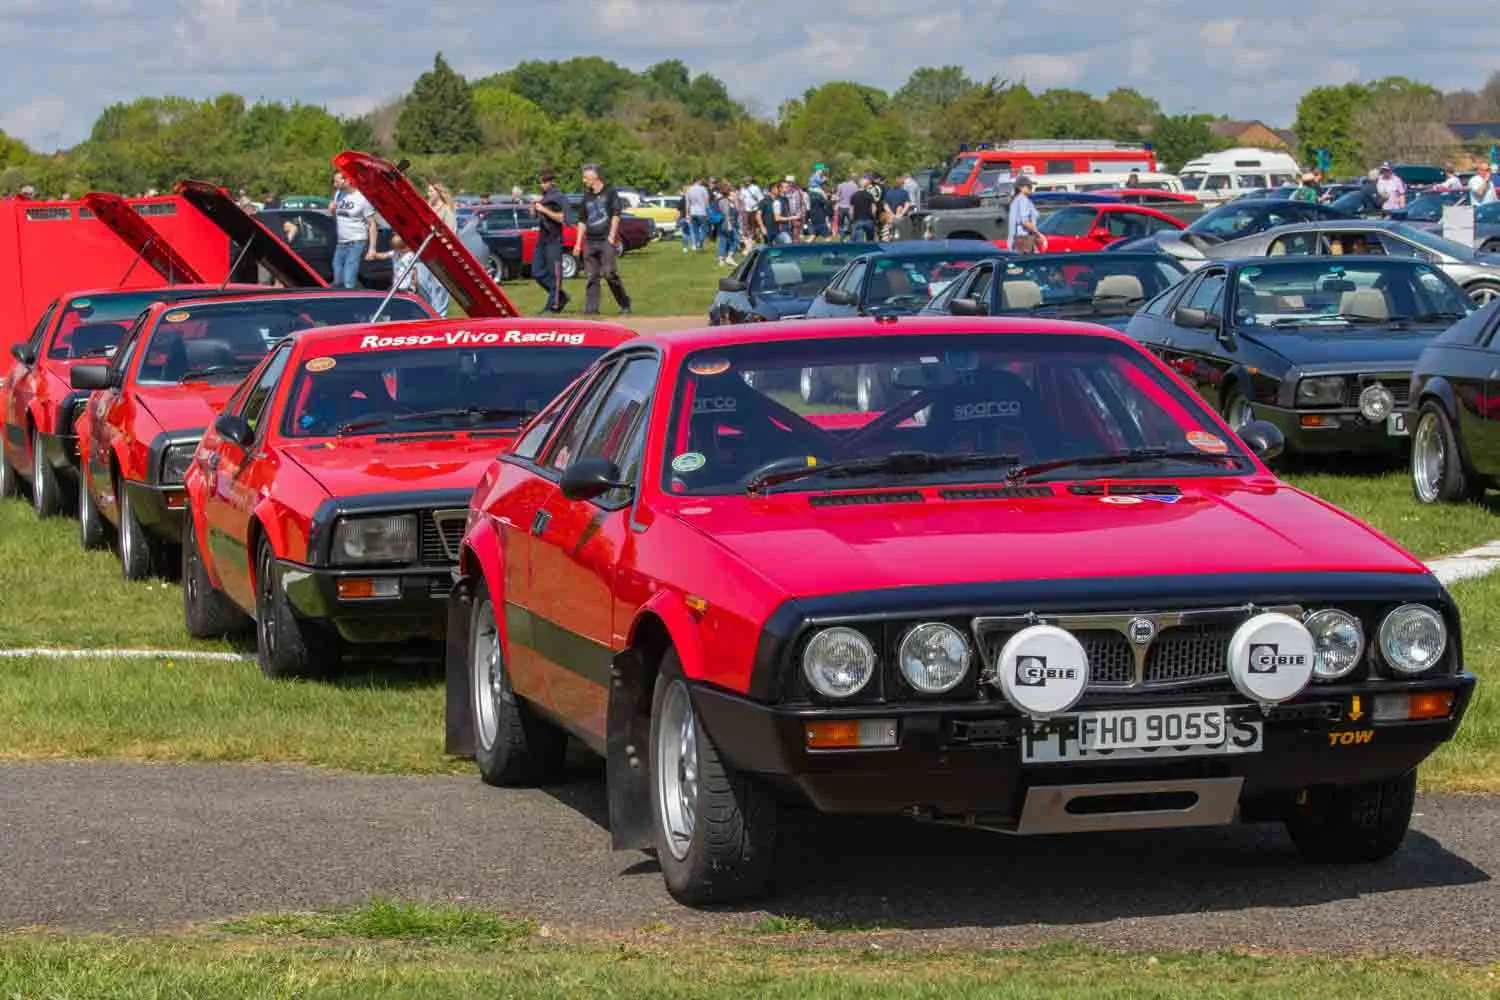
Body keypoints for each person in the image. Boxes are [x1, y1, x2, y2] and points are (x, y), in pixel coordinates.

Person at [573, 164, 631, 316]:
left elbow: (616, 214)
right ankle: (591, 310)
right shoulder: (586, 196)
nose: (584, 180)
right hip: (590, 241)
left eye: (586, 177)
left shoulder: (610, 193)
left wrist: (612, 235)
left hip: (605, 239)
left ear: (595, 177)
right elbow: (582, 220)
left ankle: (625, 303)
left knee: (609, 273)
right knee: (592, 276)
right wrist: (578, 243)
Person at [530, 169, 570, 314]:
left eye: (544, 182)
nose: (542, 185)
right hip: (542, 239)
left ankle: (553, 305)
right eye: (541, 182)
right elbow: (536, 216)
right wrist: (534, 209)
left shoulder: (559, 197)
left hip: (554, 239)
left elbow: (564, 219)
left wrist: (544, 210)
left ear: (552, 181)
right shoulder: (543, 197)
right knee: (536, 272)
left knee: (555, 274)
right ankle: (561, 295)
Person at [329, 171, 377, 289]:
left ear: (348, 180)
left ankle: (350, 302)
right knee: (338, 279)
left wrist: (372, 248)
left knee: (348, 277)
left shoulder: (362, 198)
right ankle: (340, 300)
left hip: (356, 241)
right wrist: (333, 211)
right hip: (341, 242)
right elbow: (338, 217)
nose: (334, 184)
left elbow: (372, 224)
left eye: (337, 181)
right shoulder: (338, 194)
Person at [422, 181, 458, 316]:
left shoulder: (446, 210)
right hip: (425, 252)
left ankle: (440, 316)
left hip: (441, 254)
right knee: (424, 285)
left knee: (439, 286)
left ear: (438, 193)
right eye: (428, 191)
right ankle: (429, 314)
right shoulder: (426, 207)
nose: (428, 194)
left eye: (431, 191)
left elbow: (451, 234)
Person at [1007, 175, 1047, 253]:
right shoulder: (1023, 200)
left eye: (1031, 185)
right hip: (1024, 239)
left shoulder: (1016, 200)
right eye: (1028, 186)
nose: (1031, 187)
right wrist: (1039, 234)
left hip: (1019, 239)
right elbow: (1025, 222)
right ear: (1020, 188)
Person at [714, 181, 738, 267]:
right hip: (726, 223)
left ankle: (721, 260)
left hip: (721, 223)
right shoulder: (725, 201)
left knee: (723, 240)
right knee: (735, 240)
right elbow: (726, 214)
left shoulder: (719, 199)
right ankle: (729, 257)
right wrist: (729, 225)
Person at [848, 176, 879, 243]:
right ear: (866, 186)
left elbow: (851, 210)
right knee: (870, 239)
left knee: (859, 240)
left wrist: (851, 219)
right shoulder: (869, 195)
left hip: (858, 220)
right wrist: (874, 217)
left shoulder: (854, 196)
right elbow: (874, 209)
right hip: (868, 219)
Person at [685, 177, 709, 251]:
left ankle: (697, 244)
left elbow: (687, 203)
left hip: (692, 212)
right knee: (705, 229)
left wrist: (687, 214)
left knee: (695, 230)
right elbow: (707, 200)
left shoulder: (689, 190)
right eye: (701, 181)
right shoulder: (703, 189)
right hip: (702, 212)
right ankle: (700, 242)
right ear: (698, 181)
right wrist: (708, 211)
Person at [835, 174, 858, 239]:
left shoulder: (840, 185)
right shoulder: (855, 186)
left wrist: (837, 203)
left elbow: (837, 196)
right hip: (850, 208)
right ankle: (851, 237)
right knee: (852, 223)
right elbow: (856, 198)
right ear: (854, 179)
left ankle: (842, 237)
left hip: (841, 206)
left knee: (840, 223)